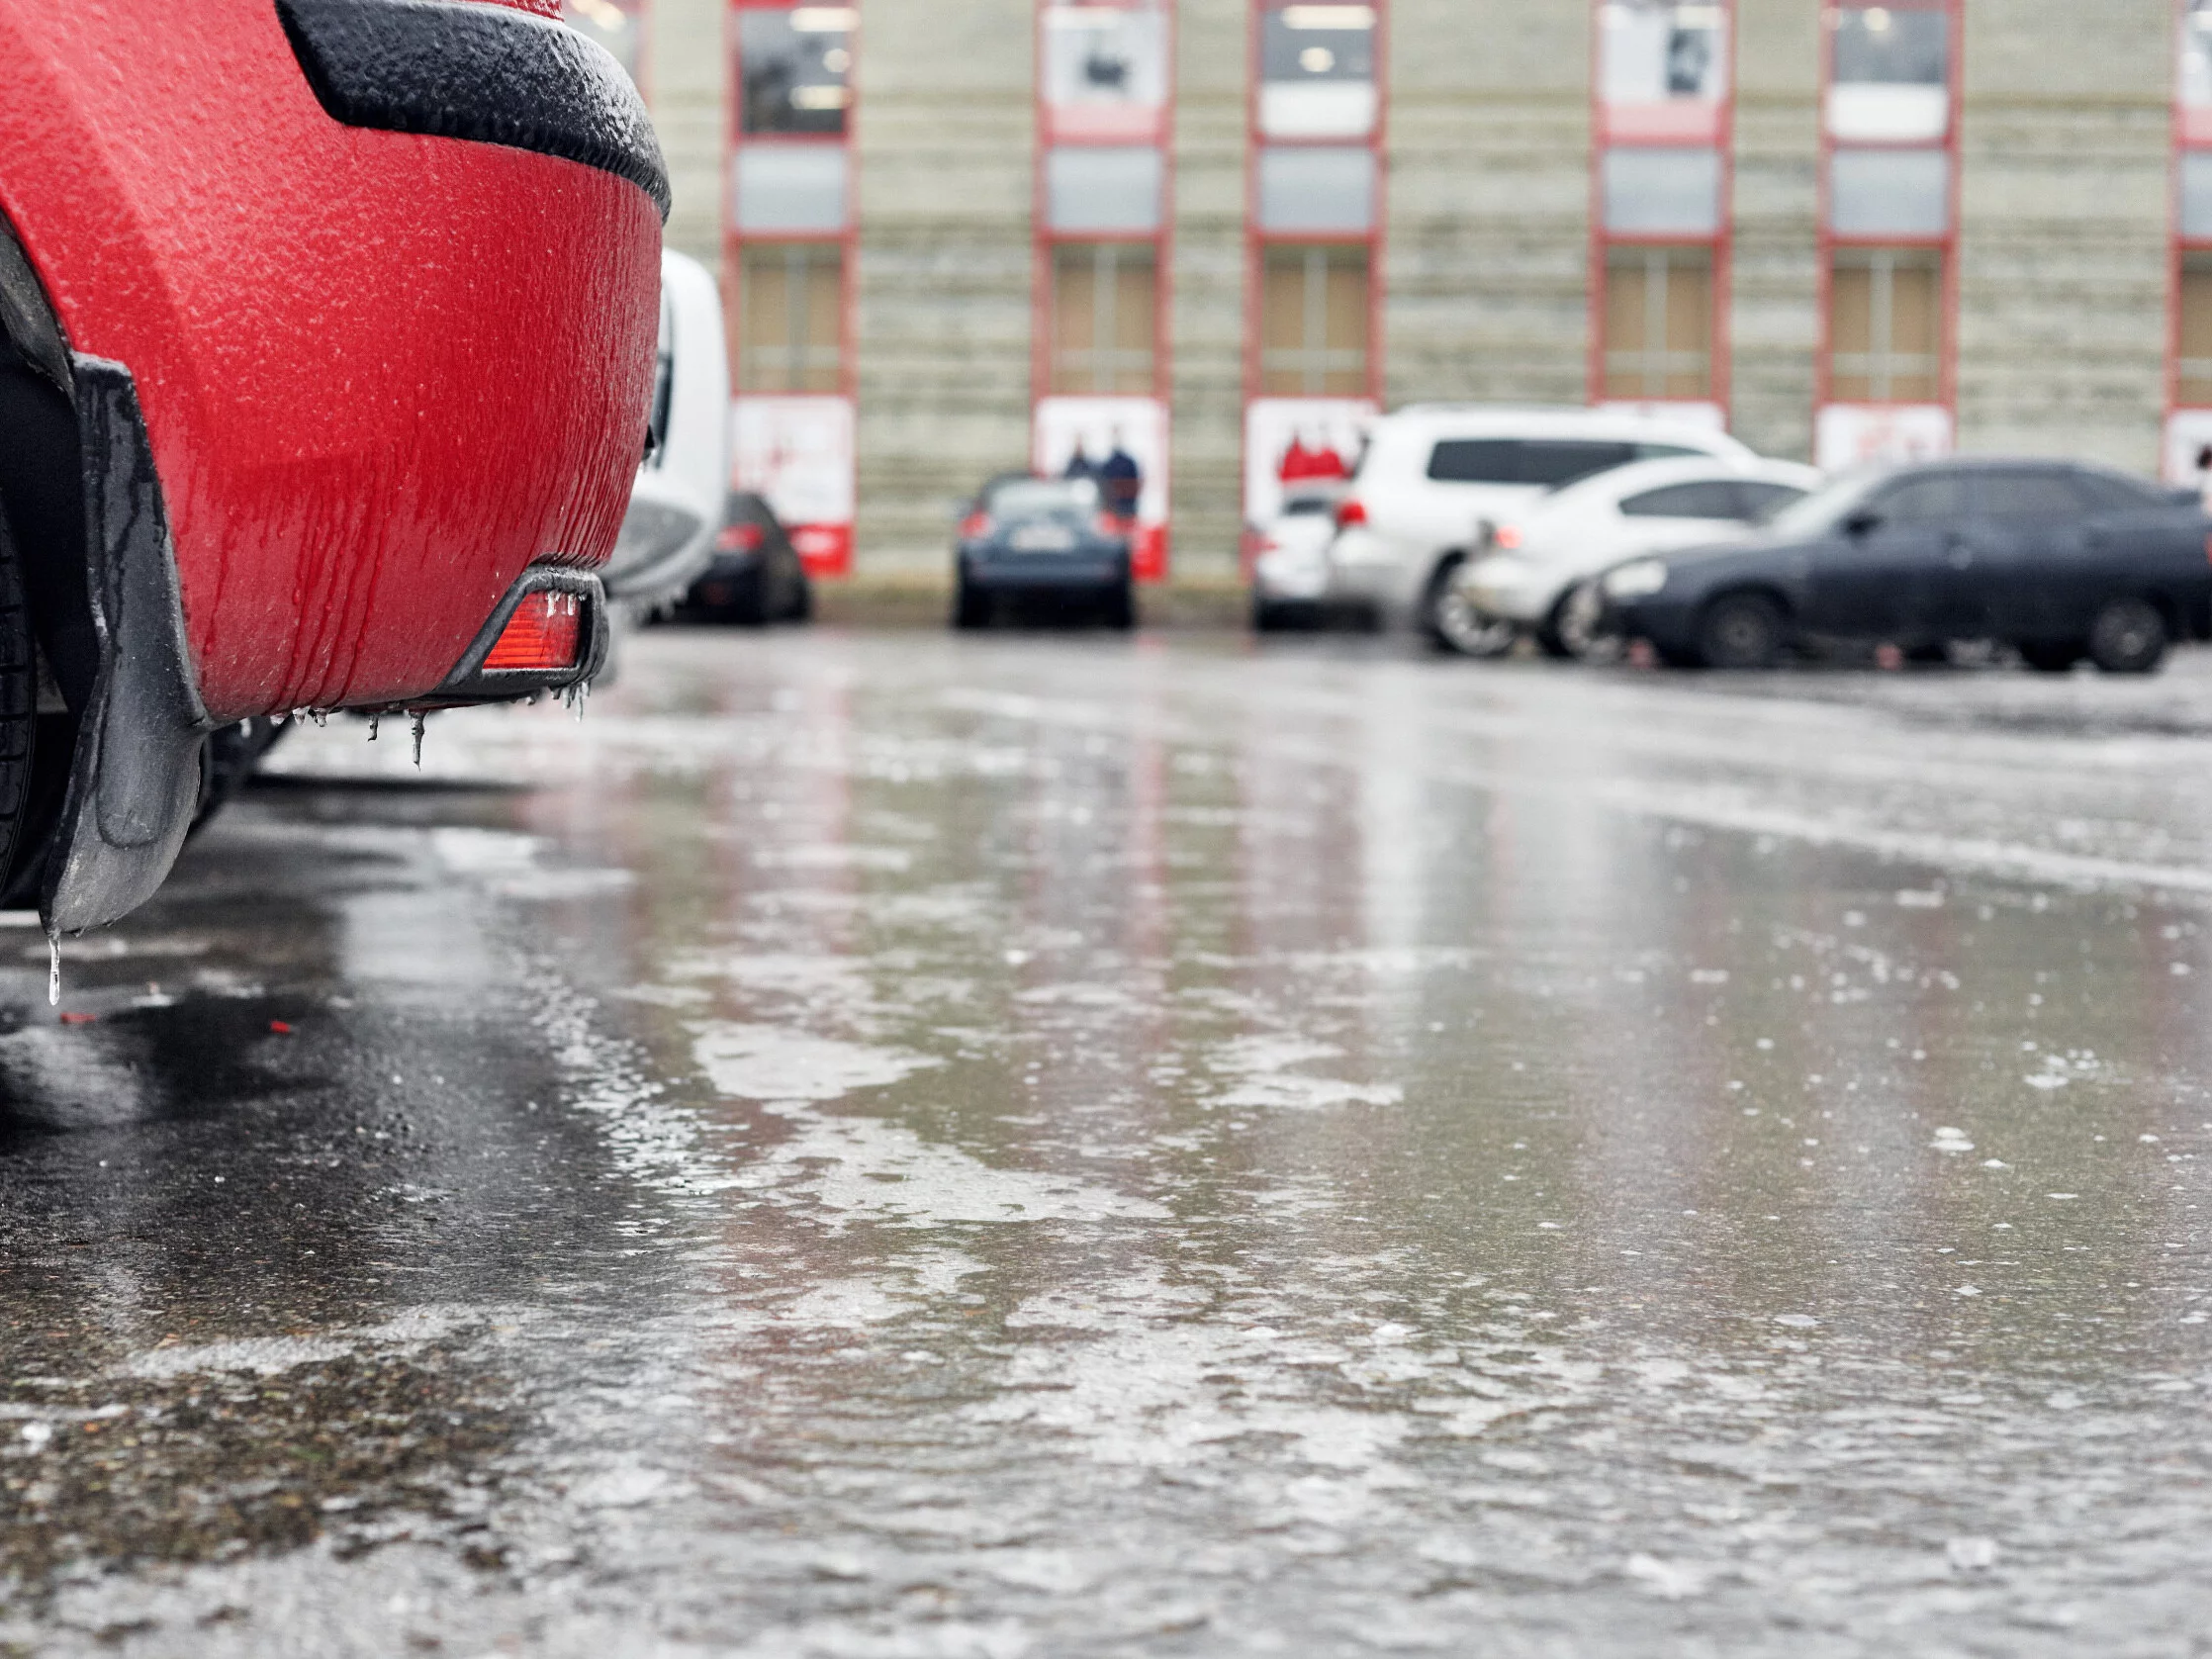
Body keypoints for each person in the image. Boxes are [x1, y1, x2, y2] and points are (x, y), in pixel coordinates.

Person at [1099, 428, 1142, 520]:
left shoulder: (1129, 463)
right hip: (1112, 511)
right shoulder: (1107, 465)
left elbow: (1135, 484)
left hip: (1128, 509)